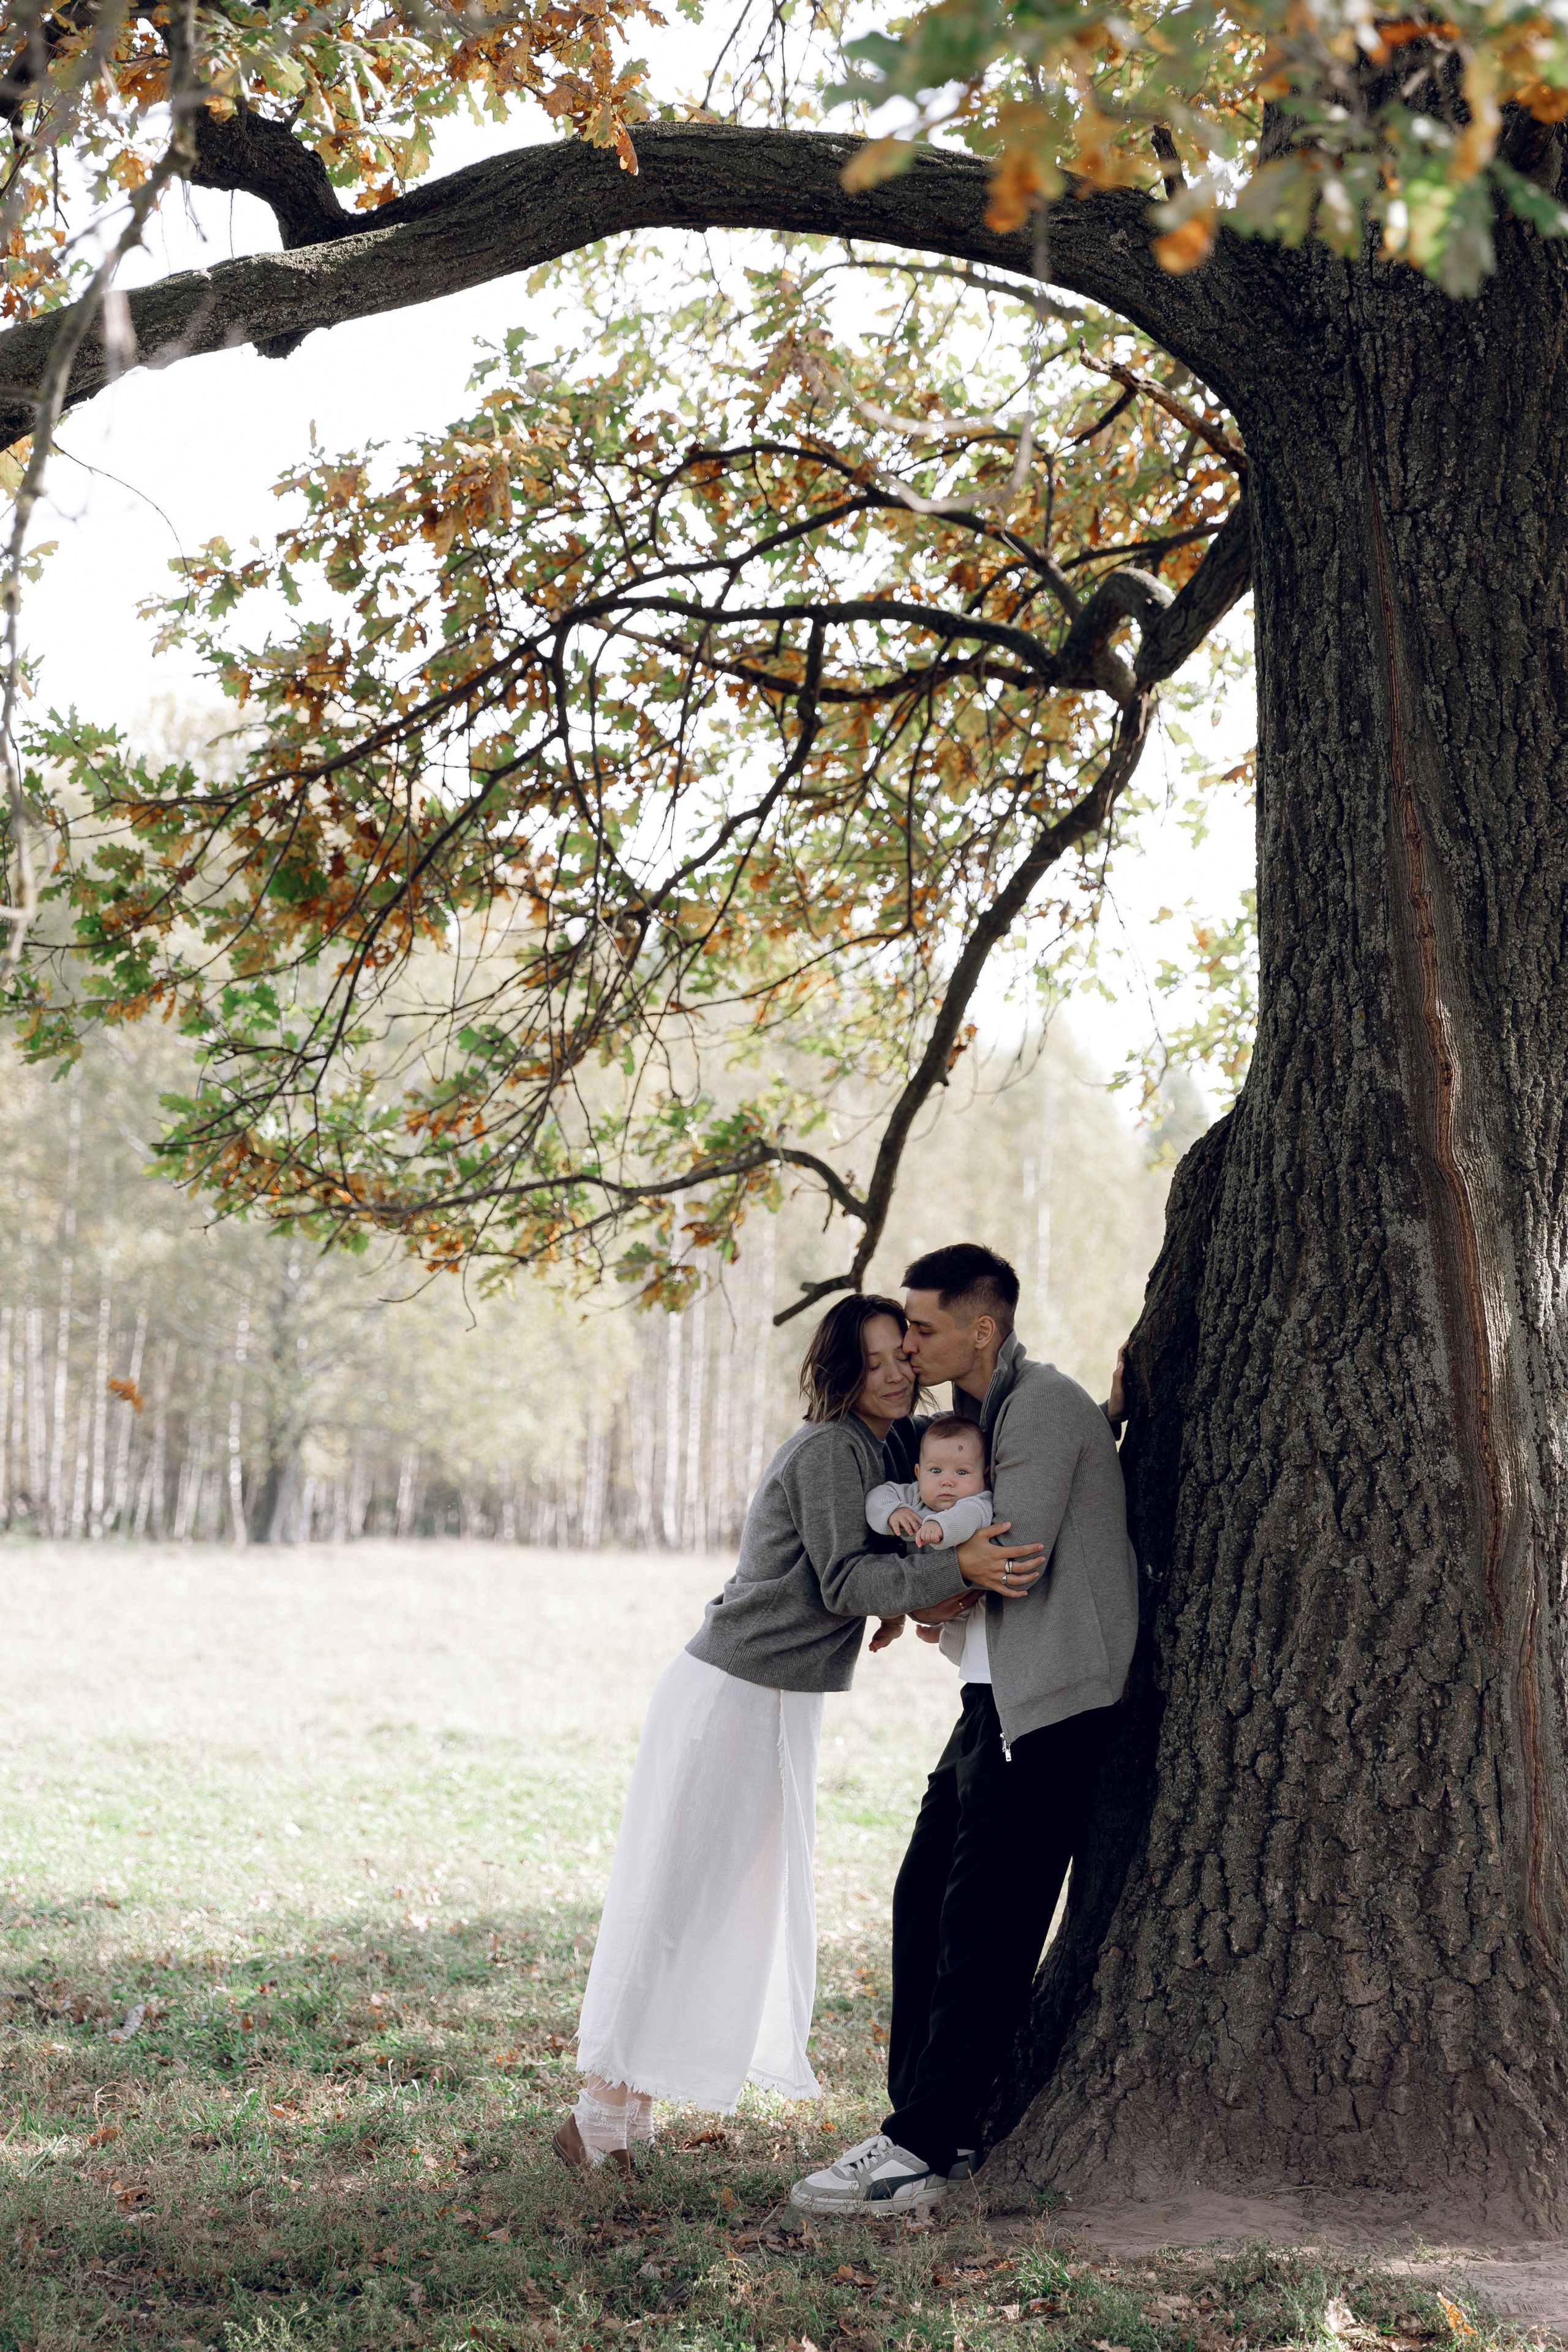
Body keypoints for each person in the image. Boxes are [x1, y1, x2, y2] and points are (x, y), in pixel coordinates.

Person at [554, 1290, 1048, 2176]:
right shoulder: (830, 1448)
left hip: (780, 1698)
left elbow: (940, 1491)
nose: (897, 1372)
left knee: (722, 1902)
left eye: (904, 1353)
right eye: (876, 1360)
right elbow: (844, 1581)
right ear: (841, 1371)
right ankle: (598, 2116)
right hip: (731, 1692)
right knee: (681, 1896)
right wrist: (953, 1570)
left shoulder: (886, 1444)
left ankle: (626, 2106)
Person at [793, 1243, 1136, 2215]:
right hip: (994, 1700)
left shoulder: (1043, 1405)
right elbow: (968, 1559)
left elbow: (1006, 1557)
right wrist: (947, 1582)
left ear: (981, 1330)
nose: (907, 1342)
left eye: (925, 1326)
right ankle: (921, 2126)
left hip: (1052, 1704)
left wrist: (933, 1580)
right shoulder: (994, 1415)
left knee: (987, 1928)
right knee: (923, 1899)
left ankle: (923, 2147)